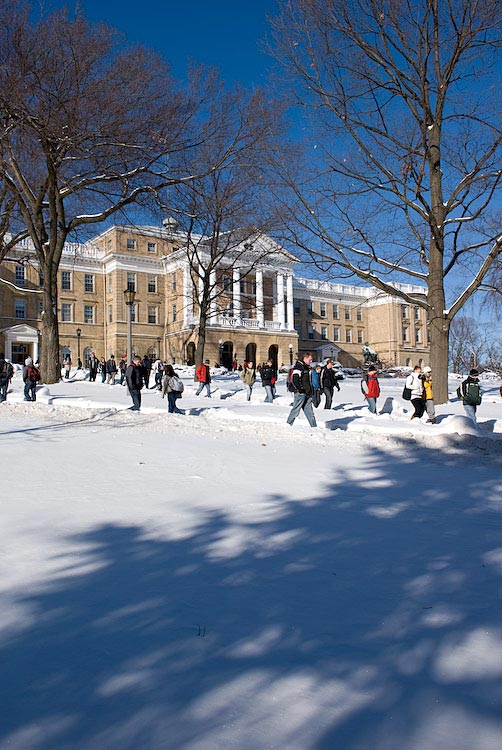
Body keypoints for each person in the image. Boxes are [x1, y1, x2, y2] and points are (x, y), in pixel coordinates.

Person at [287, 352, 317, 428]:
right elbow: (295, 379)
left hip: (307, 393)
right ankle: (288, 424)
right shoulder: (298, 367)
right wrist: (300, 389)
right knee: (296, 410)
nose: (311, 361)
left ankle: (314, 427)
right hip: (300, 394)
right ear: (305, 358)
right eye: (310, 360)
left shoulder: (306, 367)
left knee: (310, 412)